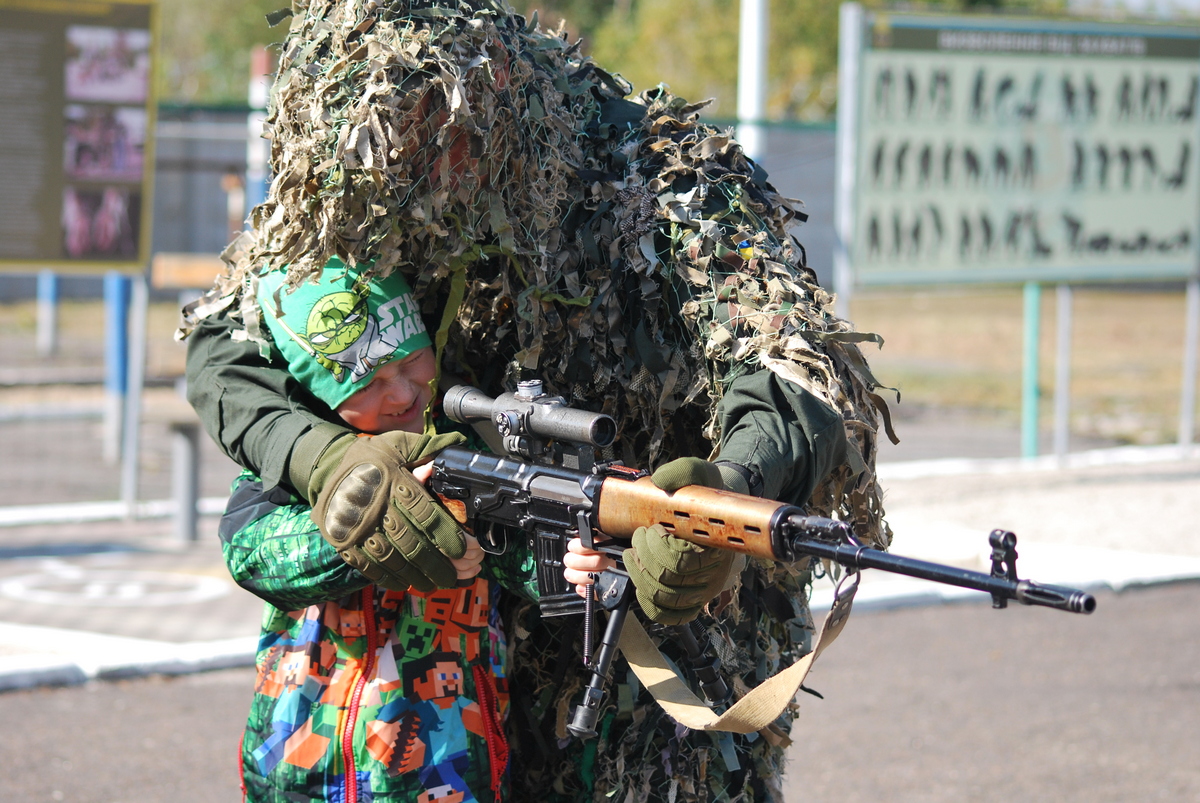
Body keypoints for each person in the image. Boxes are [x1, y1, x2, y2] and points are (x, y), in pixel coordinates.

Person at [183, 2, 893, 801]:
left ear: (500, 97)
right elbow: (230, 335)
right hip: (432, 706)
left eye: (437, 134)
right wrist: (325, 461)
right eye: (395, 146)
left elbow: (799, 361)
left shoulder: (653, 170)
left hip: (655, 684)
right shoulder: (362, 160)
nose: (420, 172)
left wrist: (729, 484)